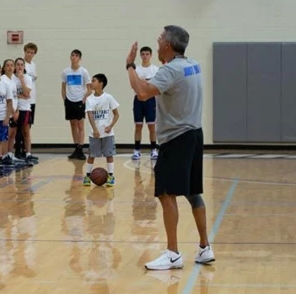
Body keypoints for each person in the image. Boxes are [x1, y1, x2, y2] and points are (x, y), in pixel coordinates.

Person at [126, 26, 213, 270]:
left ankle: (173, 253)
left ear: (168, 45)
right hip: (195, 135)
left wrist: (130, 65)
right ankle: (205, 247)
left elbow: (142, 93)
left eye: (160, 38)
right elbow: (156, 86)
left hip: (176, 139)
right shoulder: (192, 64)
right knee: (193, 193)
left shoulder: (170, 70)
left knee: (166, 194)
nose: (157, 40)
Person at [82, 74, 119, 187]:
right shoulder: (90, 99)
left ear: (101, 83)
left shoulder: (108, 97)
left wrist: (110, 126)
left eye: (94, 81)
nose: (91, 83)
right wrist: (95, 129)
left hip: (108, 133)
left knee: (109, 155)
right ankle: (87, 176)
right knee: (91, 155)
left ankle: (111, 176)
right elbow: (90, 115)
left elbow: (116, 114)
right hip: (94, 133)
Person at [61, 49, 91, 160]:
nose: (74, 57)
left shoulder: (84, 72)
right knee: (72, 124)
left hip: (79, 101)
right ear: (70, 57)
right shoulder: (65, 72)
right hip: (69, 101)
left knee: (80, 125)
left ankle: (80, 149)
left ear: (80, 58)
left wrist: (84, 98)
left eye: (76, 56)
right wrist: (65, 99)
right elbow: (63, 88)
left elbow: (89, 89)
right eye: (72, 55)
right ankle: (76, 148)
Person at [132, 46, 160, 161]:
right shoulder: (136, 70)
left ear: (151, 55)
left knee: (151, 126)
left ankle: (153, 149)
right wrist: (146, 83)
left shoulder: (155, 69)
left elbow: (156, 85)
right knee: (138, 126)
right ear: (140, 56)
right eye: (143, 54)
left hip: (151, 100)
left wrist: (144, 83)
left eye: (147, 54)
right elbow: (135, 85)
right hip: (138, 100)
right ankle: (136, 150)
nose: (145, 56)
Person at [15, 42, 38, 159]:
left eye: (32, 53)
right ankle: (18, 150)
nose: (29, 54)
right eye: (28, 52)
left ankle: (26, 150)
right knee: (19, 127)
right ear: (25, 52)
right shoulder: (22, 65)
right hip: (21, 101)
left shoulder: (33, 65)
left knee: (28, 127)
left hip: (31, 100)